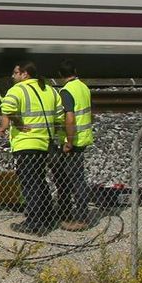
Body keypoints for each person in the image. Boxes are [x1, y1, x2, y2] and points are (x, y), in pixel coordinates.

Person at [0, 59, 63, 236]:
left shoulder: (17, 89)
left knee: (29, 183)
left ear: (25, 74)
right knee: (39, 180)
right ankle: (46, 218)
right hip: (45, 142)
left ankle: (33, 223)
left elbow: (7, 109)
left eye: (15, 73)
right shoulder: (50, 89)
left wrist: (18, 124)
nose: (13, 76)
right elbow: (59, 116)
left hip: (26, 143)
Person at [53, 60, 94, 231]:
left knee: (76, 179)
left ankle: (81, 218)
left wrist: (68, 141)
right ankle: (67, 213)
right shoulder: (84, 87)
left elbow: (70, 118)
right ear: (75, 71)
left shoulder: (66, 91)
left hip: (74, 141)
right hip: (84, 137)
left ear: (60, 75)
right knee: (72, 177)